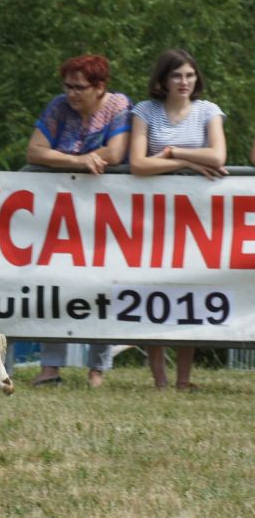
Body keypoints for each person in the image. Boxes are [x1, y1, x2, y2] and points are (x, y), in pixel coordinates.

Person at [25, 54, 132, 388]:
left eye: (79, 87)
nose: (71, 93)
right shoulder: (58, 107)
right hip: (61, 214)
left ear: (99, 87)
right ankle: (50, 366)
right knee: (53, 283)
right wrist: (78, 160)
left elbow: (115, 153)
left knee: (103, 286)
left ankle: (96, 369)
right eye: (67, 86)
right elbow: (35, 151)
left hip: (107, 214)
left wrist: (76, 160)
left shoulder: (118, 106)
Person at [129, 48, 227, 391]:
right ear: (163, 80)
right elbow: (139, 164)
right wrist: (187, 162)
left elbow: (217, 155)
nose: (184, 82)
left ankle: (185, 379)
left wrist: (171, 153)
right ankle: (159, 378)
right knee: (153, 290)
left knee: (190, 292)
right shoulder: (144, 111)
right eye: (176, 75)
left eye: (189, 75)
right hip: (151, 216)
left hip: (195, 217)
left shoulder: (208, 111)